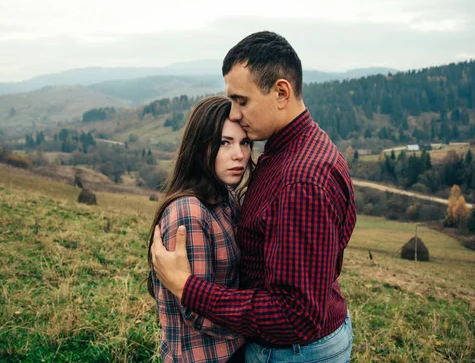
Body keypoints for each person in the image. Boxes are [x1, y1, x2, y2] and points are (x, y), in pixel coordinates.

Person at [151, 31, 357, 362]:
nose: (235, 113)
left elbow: (295, 314)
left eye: (241, 101)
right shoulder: (293, 149)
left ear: (281, 92)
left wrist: (188, 288)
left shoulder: (300, 179)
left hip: (294, 353)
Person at [147, 96, 254, 362]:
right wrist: (266, 323)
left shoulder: (223, 197)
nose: (239, 154)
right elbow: (197, 310)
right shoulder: (190, 213)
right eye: (224, 143)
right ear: (200, 146)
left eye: (245, 142)